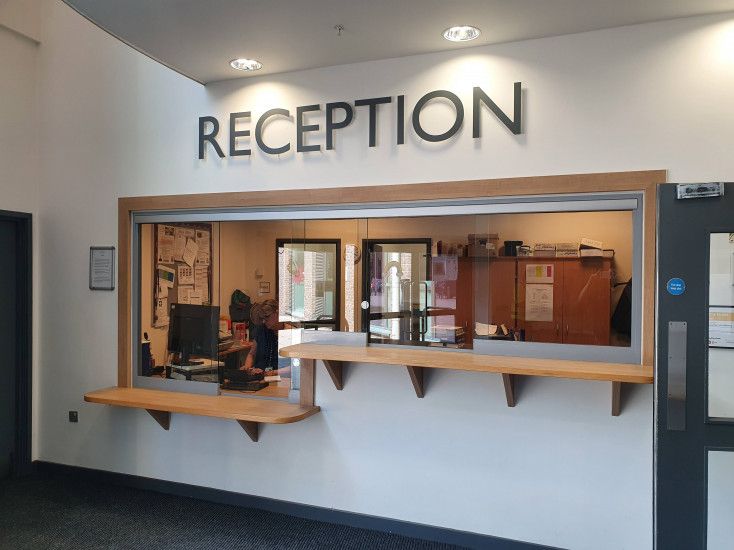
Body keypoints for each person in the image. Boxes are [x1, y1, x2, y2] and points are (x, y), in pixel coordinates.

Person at [241, 299, 292, 377]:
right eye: (262, 318)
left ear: (277, 313)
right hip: (260, 376)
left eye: (267, 317)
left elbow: (296, 365)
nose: (264, 321)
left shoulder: (291, 332)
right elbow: (251, 354)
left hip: (281, 378)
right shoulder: (261, 330)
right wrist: (248, 368)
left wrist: (274, 372)